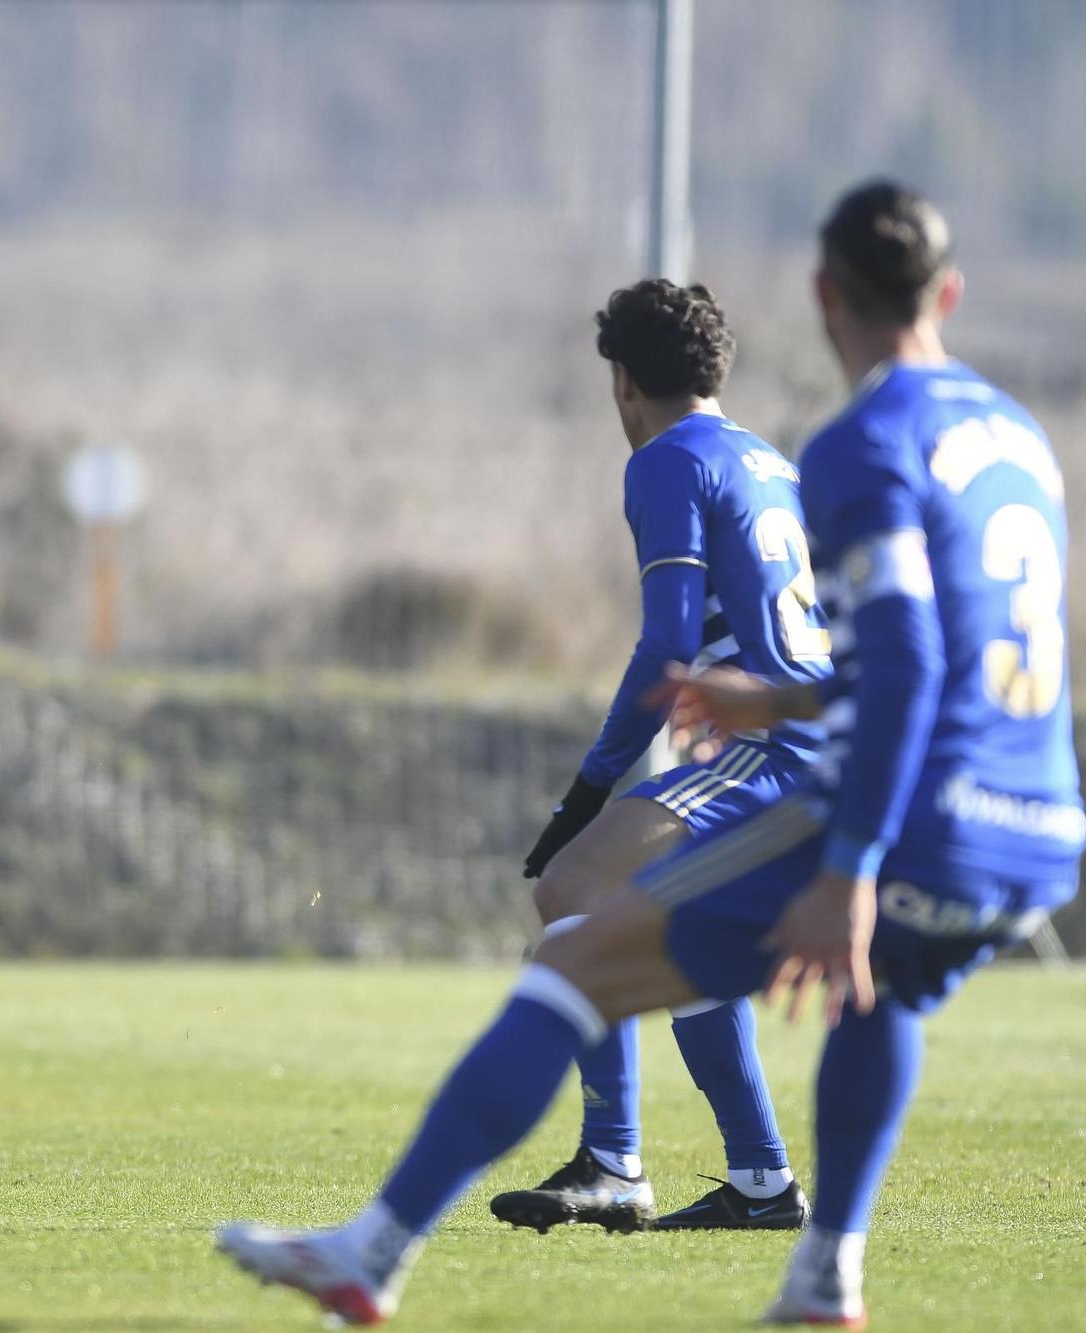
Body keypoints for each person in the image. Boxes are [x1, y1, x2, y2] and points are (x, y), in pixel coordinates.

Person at [217, 180, 1080, 1328]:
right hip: (1039, 821)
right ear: (951, 293)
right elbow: (940, 656)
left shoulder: (848, 442)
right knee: (883, 999)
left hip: (903, 800)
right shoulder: (1015, 436)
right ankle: (812, 1266)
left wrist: (845, 863)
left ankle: (396, 1243)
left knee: (572, 936)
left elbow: (900, 667)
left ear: (821, 296)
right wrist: (772, 701)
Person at [498, 278, 826, 1234]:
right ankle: (762, 1185)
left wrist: (591, 785)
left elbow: (666, 649)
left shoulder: (665, 459)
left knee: (569, 890)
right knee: (680, 934)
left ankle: (612, 1160)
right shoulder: (770, 461)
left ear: (624, 383)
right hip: (820, 740)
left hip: (773, 749)